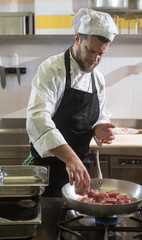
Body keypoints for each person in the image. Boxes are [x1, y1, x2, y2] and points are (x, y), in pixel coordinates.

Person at [24, 8, 117, 197]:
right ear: (77, 38)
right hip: (49, 169)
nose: (95, 59)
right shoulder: (52, 69)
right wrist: (70, 158)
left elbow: (100, 115)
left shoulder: (97, 78)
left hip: (80, 167)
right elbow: (37, 118)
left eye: (101, 53)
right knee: (50, 220)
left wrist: (99, 128)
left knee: (80, 220)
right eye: (90, 50)